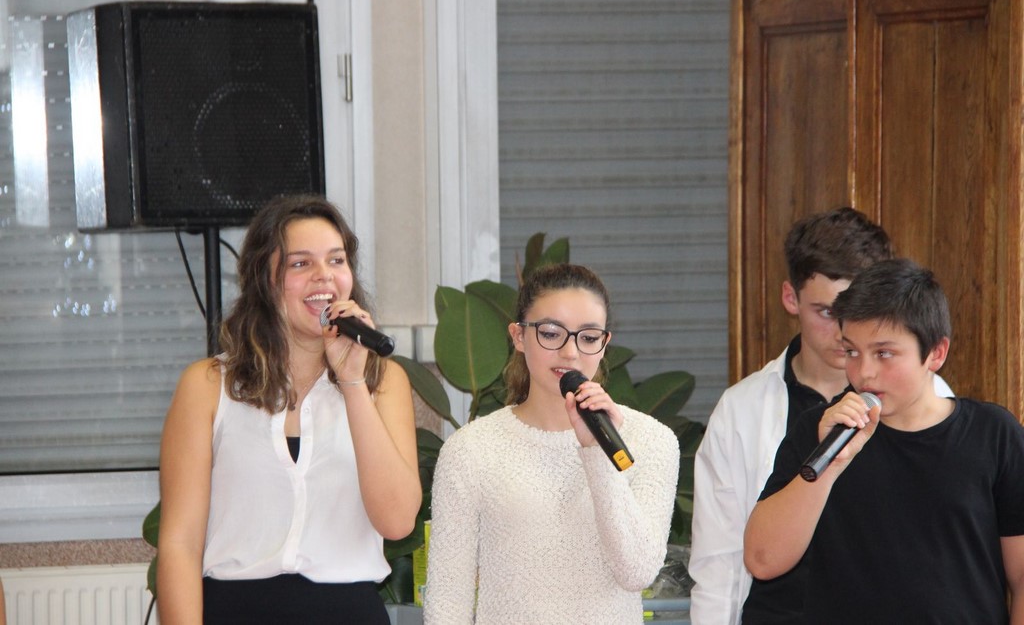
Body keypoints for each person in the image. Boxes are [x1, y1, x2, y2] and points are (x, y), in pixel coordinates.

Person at [156, 194, 421, 624]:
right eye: (301, 263)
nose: (324, 276)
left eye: (336, 260)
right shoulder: (207, 386)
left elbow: (397, 521)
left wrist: (353, 382)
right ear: (265, 278)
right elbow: (179, 545)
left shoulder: (383, 382)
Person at [689, 207, 954, 625]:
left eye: (855, 313)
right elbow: (718, 563)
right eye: (827, 312)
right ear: (790, 298)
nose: (841, 331)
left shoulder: (933, 400)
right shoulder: (742, 409)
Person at [744, 258, 1024, 622]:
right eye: (852, 352)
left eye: (884, 353)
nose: (865, 372)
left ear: (936, 353)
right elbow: (763, 561)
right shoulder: (821, 431)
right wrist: (831, 465)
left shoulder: (993, 434)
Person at [423, 263, 679, 624]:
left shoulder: (651, 440)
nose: (570, 352)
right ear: (518, 336)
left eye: (588, 337)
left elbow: (636, 572)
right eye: (551, 333)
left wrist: (597, 451)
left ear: (605, 344)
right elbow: (448, 598)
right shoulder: (471, 449)